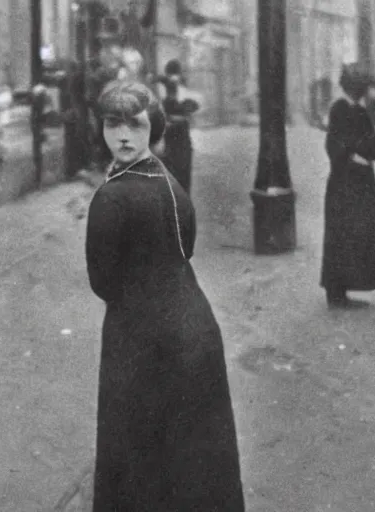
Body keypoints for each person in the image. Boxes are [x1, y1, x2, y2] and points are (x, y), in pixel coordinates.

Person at [85, 80, 245, 511]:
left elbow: (102, 281)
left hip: (139, 338)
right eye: (112, 123)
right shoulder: (168, 179)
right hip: (194, 329)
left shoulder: (110, 196)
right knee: (190, 462)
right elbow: (185, 247)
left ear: (151, 129)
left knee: (137, 457)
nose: (122, 135)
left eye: (133, 125)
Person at [321, 63, 375, 308]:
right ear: (361, 88)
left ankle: (343, 289)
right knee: (343, 235)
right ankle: (336, 292)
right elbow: (335, 147)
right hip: (346, 184)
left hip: (358, 183)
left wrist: (358, 153)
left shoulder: (359, 110)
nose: (374, 93)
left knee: (355, 236)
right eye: (371, 88)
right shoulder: (342, 110)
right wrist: (354, 157)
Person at [158, 60, 200, 194]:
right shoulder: (167, 89)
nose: (174, 80)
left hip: (175, 140)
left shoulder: (181, 90)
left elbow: (193, 107)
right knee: (179, 179)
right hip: (176, 141)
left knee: (176, 179)